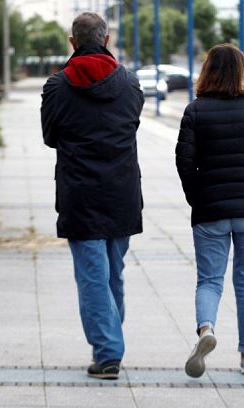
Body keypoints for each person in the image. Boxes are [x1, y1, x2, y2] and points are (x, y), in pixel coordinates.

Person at [40, 12, 144, 380]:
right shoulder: (131, 84)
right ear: (107, 39)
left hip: (80, 192)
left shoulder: (56, 86)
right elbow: (131, 125)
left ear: (73, 42)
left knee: (92, 277)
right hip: (122, 191)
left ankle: (108, 352)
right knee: (113, 273)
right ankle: (110, 345)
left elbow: (50, 136)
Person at [175, 44, 244, 378]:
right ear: (242, 71)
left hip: (210, 208)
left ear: (207, 70)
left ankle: (206, 330)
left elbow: (184, 161)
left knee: (209, 280)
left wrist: (197, 196)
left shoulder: (195, 111)